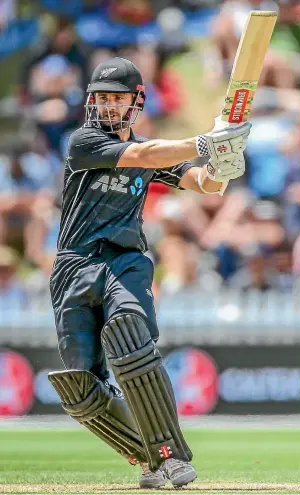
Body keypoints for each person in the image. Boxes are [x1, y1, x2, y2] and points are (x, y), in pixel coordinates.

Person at [48, 57, 251, 489]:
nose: (106, 106)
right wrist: (206, 140)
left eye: (116, 98)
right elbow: (142, 154)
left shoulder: (150, 151)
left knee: (129, 336)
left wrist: (224, 164)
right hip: (74, 265)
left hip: (124, 262)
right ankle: (150, 458)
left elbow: (204, 184)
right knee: (82, 391)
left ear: (136, 102)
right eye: (100, 98)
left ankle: (172, 457)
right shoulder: (83, 141)